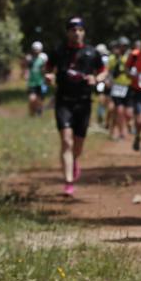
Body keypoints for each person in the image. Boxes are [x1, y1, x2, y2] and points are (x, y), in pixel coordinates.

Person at [45, 17, 107, 197]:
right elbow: (48, 69)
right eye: (73, 30)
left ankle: (74, 162)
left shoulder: (92, 52)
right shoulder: (58, 51)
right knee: (66, 141)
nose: (76, 33)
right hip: (63, 101)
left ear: (84, 32)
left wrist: (97, 79)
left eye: (80, 29)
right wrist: (49, 77)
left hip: (84, 102)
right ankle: (68, 182)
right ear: (68, 32)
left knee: (78, 145)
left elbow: (103, 71)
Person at [107, 37, 133, 140]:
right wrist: (108, 80)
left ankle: (127, 125)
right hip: (117, 86)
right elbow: (109, 71)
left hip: (129, 86)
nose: (123, 48)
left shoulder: (131, 57)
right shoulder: (112, 58)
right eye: (121, 46)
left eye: (125, 46)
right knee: (119, 110)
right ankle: (121, 131)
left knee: (128, 113)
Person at [27, 41, 48, 117]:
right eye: (34, 49)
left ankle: (39, 114)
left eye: (37, 49)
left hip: (42, 82)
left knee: (40, 100)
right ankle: (31, 115)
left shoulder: (43, 58)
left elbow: (46, 70)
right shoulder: (30, 59)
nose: (36, 51)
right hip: (32, 83)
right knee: (32, 99)